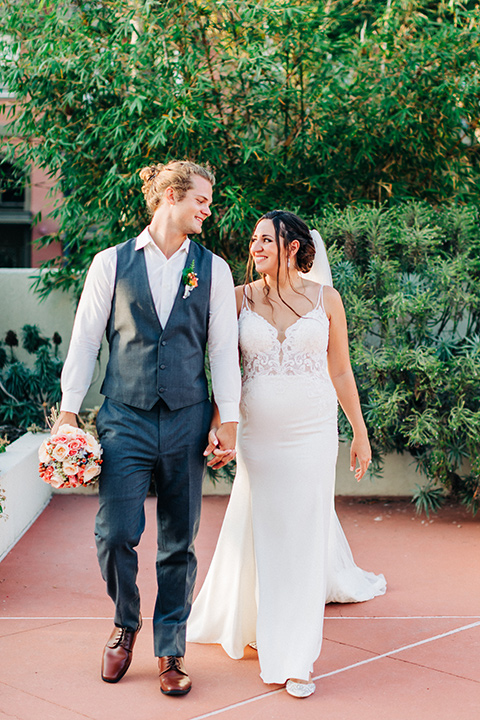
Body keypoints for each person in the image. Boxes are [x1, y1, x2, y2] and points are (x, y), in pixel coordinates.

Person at [52, 160, 241, 696]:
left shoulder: (214, 269)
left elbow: (223, 351)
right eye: (201, 200)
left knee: (179, 542)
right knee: (115, 534)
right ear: (172, 199)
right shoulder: (109, 263)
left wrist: (227, 419)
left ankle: (171, 651)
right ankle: (125, 623)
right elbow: (87, 340)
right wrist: (68, 411)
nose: (208, 209)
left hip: (186, 418)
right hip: (124, 419)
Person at [187, 210, 386, 698]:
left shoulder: (327, 299)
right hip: (260, 439)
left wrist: (359, 432)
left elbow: (340, 371)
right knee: (266, 530)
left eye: (265, 240)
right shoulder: (237, 300)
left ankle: (295, 657)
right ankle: (255, 620)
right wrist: (221, 428)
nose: (255, 247)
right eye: (253, 240)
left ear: (292, 246)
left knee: (301, 536)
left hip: (313, 434)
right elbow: (225, 375)